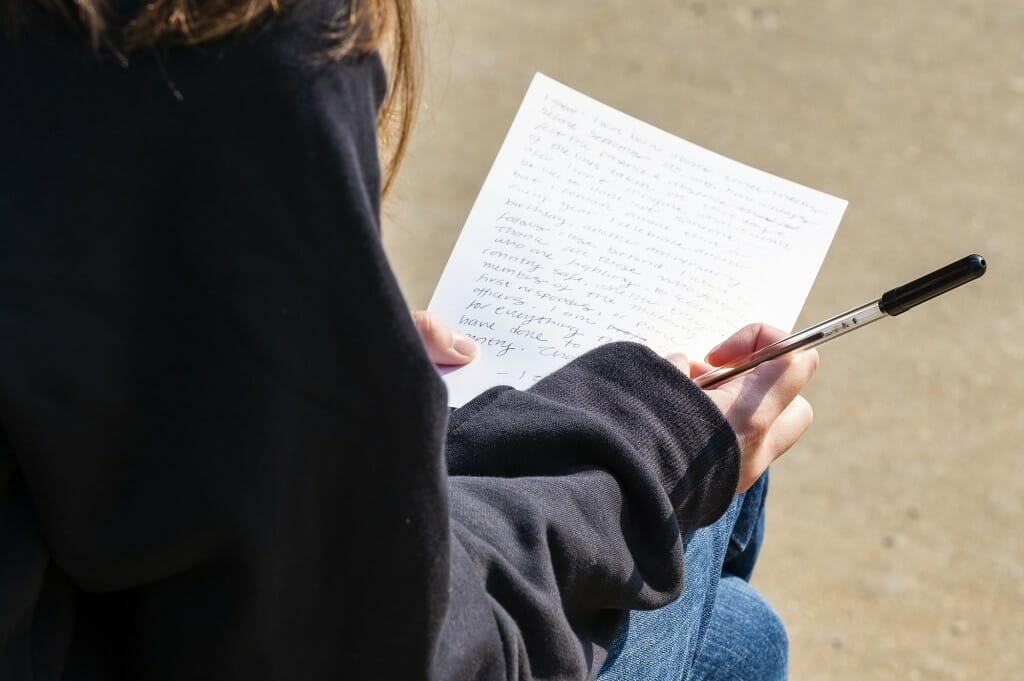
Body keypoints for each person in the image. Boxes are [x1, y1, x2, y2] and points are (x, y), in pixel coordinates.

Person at [0, 1, 816, 679]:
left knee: (730, 630)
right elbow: (373, 647)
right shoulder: (210, 35)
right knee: (725, 590)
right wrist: (640, 448)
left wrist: (308, 343)